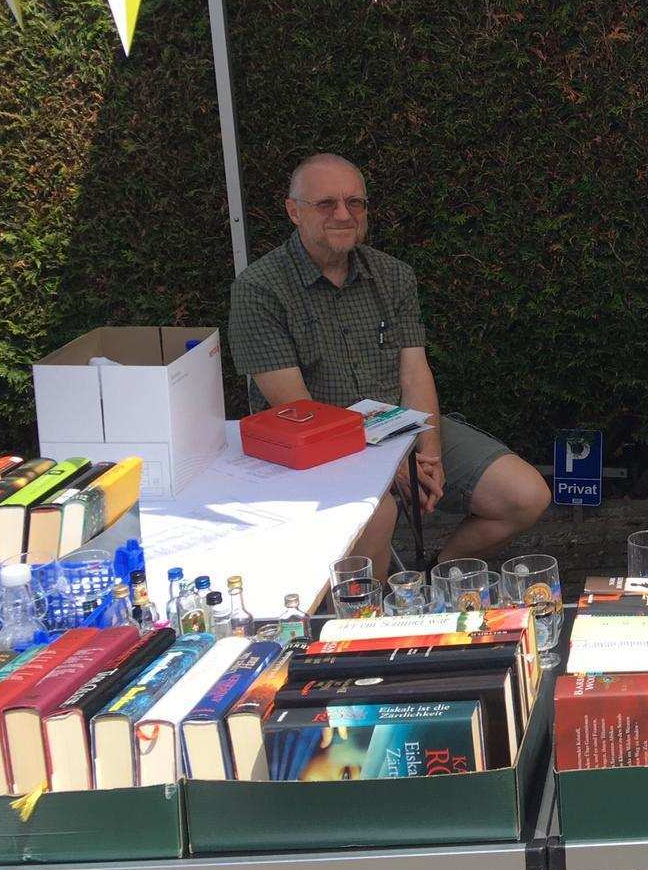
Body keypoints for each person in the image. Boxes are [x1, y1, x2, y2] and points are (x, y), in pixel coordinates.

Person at [228, 153, 550, 575]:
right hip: (316, 446)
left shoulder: (393, 275)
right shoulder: (259, 289)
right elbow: (299, 409)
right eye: (326, 204)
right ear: (294, 211)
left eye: (355, 203)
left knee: (526, 496)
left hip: (398, 427)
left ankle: (433, 578)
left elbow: (414, 373)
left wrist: (429, 452)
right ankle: (369, 607)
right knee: (376, 515)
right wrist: (388, 465)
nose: (343, 214)